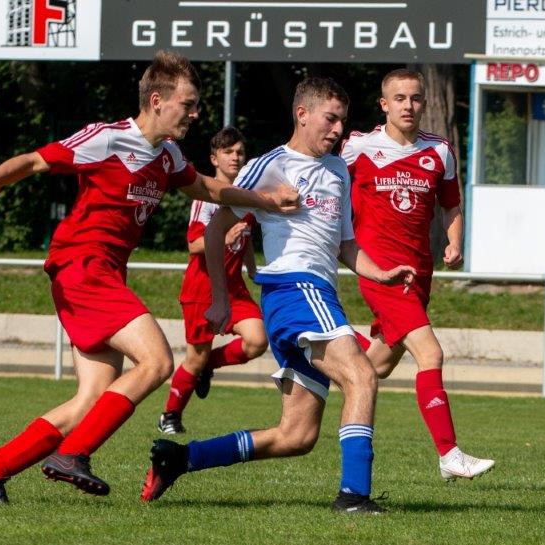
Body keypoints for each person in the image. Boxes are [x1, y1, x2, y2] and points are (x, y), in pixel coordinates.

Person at [0, 51, 297, 504]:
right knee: (156, 362)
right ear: (157, 101)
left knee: (90, 400)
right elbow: (36, 161)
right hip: (82, 266)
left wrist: (265, 200)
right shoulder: (108, 139)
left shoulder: (167, 156)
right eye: (188, 105)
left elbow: (206, 188)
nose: (195, 114)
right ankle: (73, 454)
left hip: (103, 273)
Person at [141, 77, 416, 514]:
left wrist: (381, 273)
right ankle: (354, 496)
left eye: (343, 121)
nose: (338, 130)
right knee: (362, 376)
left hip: (317, 294)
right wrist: (220, 299)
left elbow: (345, 245)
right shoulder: (270, 164)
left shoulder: (337, 170)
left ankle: (180, 458)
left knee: (296, 436)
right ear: (301, 114)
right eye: (330, 119)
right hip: (294, 289)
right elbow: (215, 228)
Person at [340, 69, 494, 481]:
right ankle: (449, 454)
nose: (408, 105)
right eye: (400, 98)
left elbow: (451, 205)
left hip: (420, 273)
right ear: (384, 104)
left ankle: (310, 358)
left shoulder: (439, 151)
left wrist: (455, 242)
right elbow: (326, 189)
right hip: (382, 273)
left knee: (376, 366)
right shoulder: (357, 148)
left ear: (424, 102)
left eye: (415, 98)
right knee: (431, 354)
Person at [159, 127, 267, 435]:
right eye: (228, 152)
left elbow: (245, 237)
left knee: (257, 340)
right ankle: (170, 415)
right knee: (196, 357)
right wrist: (223, 236)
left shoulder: (246, 194)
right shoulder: (205, 197)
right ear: (214, 158)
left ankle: (209, 366)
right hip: (202, 289)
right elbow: (194, 244)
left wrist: (252, 270)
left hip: (234, 288)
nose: (235, 157)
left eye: (240, 152)